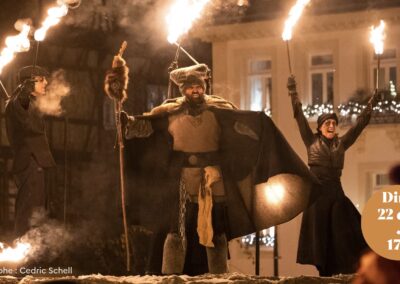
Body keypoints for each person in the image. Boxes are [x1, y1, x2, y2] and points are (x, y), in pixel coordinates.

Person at [105, 63, 319, 275]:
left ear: (204, 86)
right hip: (181, 177)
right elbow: (146, 127)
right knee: (177, 227)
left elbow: (239, 124)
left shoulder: (219, 108)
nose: (195, 90)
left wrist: (256, 129)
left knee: (216, 227)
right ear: (183, 90)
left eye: (199, 86)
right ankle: (171, 276)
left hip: (213, 176)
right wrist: (127, 123)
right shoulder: (169, 110)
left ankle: (218, 274)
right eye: (190, 87)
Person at [287, 75, 375, 276]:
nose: (331, 126)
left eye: (333, 123)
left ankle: (350, 266)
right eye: (327, 123)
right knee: (321, 238)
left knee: (346, 229)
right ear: (319, 128)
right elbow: (299, 116)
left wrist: (371, 104)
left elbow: (360, 125)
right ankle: (324, 272)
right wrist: (293, 92)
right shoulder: (311, 141)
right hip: (317, 196)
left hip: (335, 193)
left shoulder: (341, 144)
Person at [5, 65, 56, 236]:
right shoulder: (19, 101)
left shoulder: (25, 102)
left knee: (39, 210)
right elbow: (24, 114)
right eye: (41, 79)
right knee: (29, 211)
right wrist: (25, 93)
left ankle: (34, 251)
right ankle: (23, 253)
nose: (46, 82)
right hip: (30, 163)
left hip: (37, 163)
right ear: (28, 83)